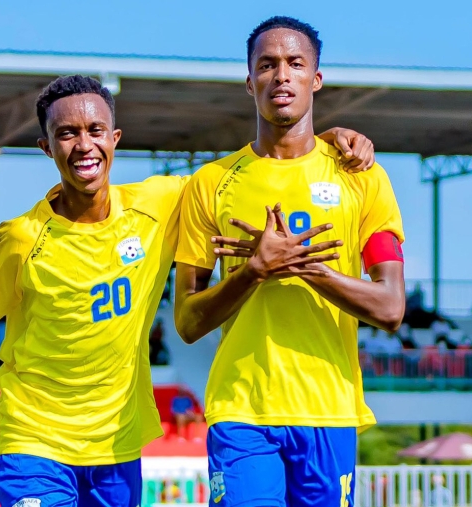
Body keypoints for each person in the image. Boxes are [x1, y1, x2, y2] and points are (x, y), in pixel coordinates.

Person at [0, 74, 375, 506]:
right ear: (45, 147)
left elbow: (250, 169)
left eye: (96, 130)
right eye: (66, 134)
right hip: (34, 441)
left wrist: (322, 137)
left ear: (114, 139)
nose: (84, 145)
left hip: (118, 447)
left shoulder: (159, 204)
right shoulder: (20, 239)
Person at [174, 16, 404, 507]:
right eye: (267, 64)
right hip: (241, 410)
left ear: (315, 79)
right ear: (249, 80)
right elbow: (188, 321)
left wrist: (303, 265)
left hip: (329, 411)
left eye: (295, 64)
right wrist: (254, 270)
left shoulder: (363, 178)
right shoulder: (210, 183)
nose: (281, 75)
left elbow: (390, 308)